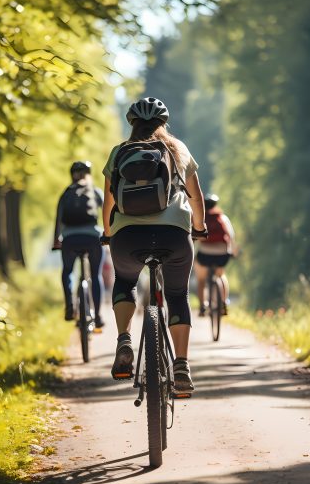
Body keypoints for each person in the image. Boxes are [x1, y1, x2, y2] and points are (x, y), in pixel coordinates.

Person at [101, 96, 207, 394]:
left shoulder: (120, 152)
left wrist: (109, 234)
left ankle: (124, 340)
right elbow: (196, 198)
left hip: (127, 236)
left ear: (132, 124)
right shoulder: (177, 149)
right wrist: (198, 228)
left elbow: (109, 200)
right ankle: (182, 366)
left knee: (124, 280)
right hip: (173, 235)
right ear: (164, 123)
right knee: (176, 294)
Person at [52, 160, 105, 329]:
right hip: (93, 239)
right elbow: (107, 212)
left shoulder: (66, 193)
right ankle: (97, 316)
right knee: (96, 275)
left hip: (70, 240)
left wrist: (56, 240)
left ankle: (69, 306)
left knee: (67, 271)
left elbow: (58, 220)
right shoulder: (95, 191)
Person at [194, 193, 236, 316]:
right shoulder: (222, 217)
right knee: (221, 275)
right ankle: (224, 303)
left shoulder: (200, 218)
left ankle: (202, 307)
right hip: (222, 253)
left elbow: (195, 236)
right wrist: (232, 252)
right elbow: (231, 236)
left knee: (201, 279)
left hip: (204, 254)